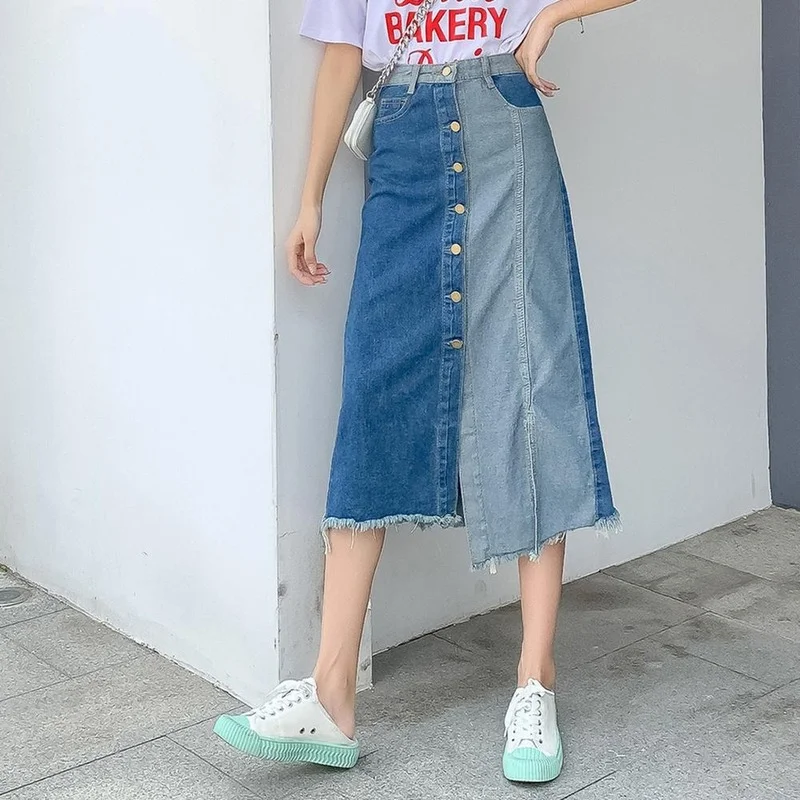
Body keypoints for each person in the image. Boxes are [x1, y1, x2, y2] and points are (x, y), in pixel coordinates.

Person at [214, 0, 635, 784]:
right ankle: (330, 695)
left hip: (505, 124)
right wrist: (309, 198)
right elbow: (343, 56)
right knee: (375, 391)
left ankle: (535, 681)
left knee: (528, 385)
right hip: (403, 139)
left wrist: (548, 18)